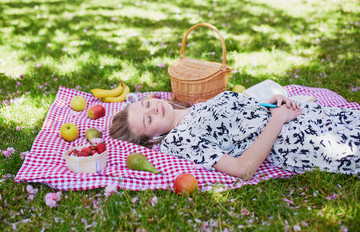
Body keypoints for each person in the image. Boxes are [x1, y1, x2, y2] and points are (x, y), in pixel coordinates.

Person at [110, 91, 360, 179]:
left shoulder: (192, 108)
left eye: (146, 104)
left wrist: (269, 104)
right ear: (152, 138)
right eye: (148, 119)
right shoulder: (178, 140)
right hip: (297, 140)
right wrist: (277, 118)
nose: (153, 108)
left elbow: (235, 128)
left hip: (304, 115)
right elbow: (244, 168)